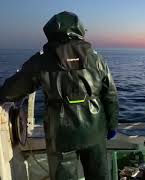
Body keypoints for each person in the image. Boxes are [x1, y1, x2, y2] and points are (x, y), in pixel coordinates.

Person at [0, 11, 119, 179]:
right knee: (99, 175)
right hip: (94, 129)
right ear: (80, 30)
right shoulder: (96, 58)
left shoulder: (42, 59)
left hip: (61, 132)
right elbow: (111, 94)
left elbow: (14, 88)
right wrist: (112, 125)